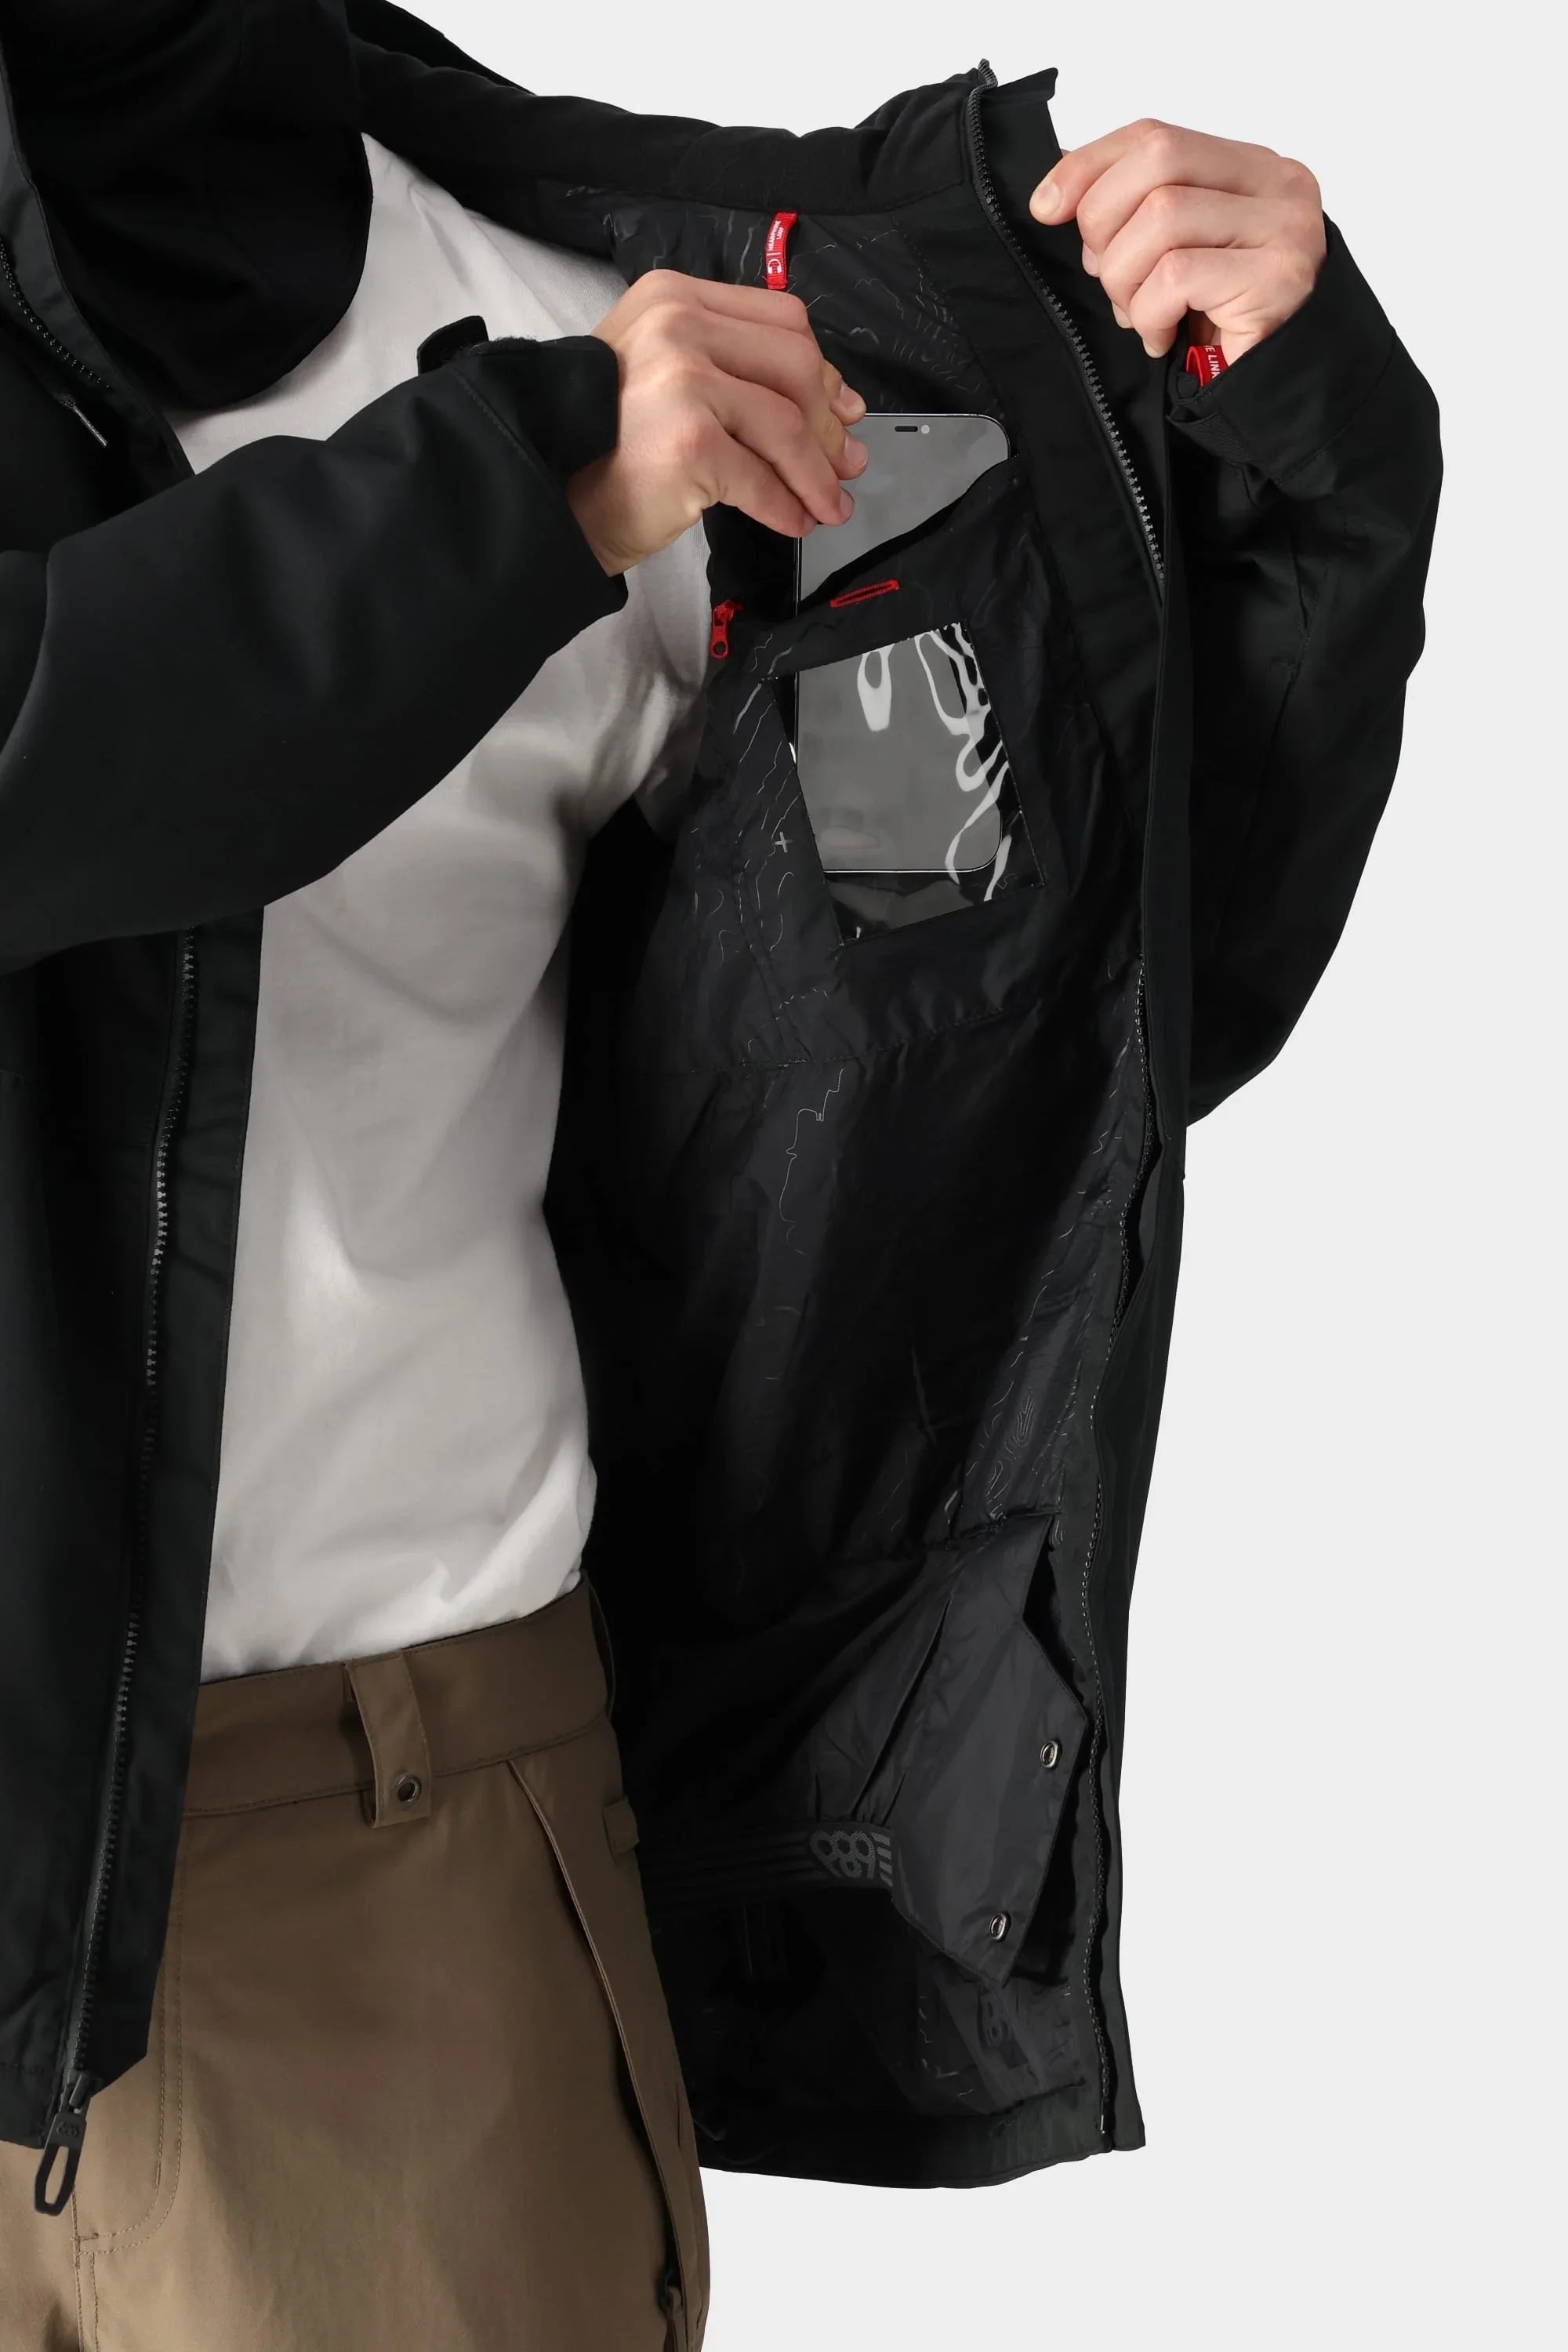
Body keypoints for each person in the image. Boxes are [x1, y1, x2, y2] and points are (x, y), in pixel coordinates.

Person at [0, 3, 1440, 2347]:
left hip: (390, 1903)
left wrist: (1302, 484)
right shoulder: (571, 425)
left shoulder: (627, 343)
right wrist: (502, 506)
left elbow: (995, 1028)